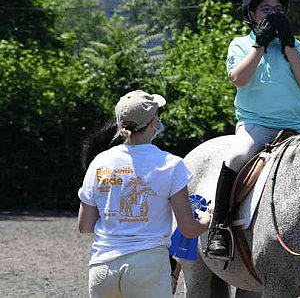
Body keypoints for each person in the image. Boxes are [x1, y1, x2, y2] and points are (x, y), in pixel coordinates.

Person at [205, 0, 300, 259]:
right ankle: (220, 226)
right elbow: (239, 79)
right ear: (252, 14)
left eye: (279, 9)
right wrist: (260, 44)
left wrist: (289, 44)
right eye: (266, 8)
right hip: (257, 125)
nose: (273, 13)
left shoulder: (295, 45)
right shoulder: (240, 44)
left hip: (297, 127)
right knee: (236, 157)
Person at [78, 90, 211, 298]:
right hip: (147, 267)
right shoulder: (171, 164)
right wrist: (206, 220)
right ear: (153, 123)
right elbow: (188, 229)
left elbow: (84, 226)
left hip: (102, 267)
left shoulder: (99, 162)